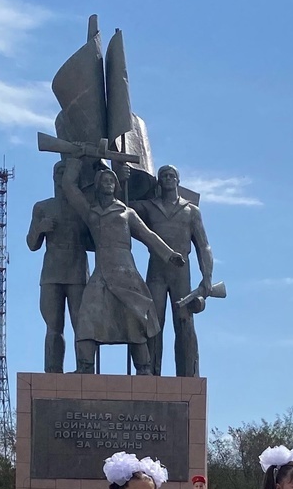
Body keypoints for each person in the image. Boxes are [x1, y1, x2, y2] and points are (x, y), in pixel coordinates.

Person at [60, 156, 186, 375]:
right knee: (87, 319)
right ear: (98, 186)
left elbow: (149, 236)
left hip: (126, 272)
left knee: (135, 321)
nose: (108, 183)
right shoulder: (90, 212)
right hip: (102, 273)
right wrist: (76, 159)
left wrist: (169, 254)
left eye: (112, 181)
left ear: (117, 186)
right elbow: (70, 188)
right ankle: (85, 367)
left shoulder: (127, 213)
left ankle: (144, 369)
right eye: (105, 181)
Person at [133, 165, 213, 377]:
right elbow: (124, 209)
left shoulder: (191, 211)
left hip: (181, 271)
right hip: (156, 270)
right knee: (153, 320)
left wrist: (207, 276)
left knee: (184, 321)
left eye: (172, 176)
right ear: (159, 182)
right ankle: (150, 372)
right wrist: (123, 178)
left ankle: (187, 375)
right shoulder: (149, 207)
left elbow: (203, 245)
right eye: (164, 176)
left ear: (178, 181)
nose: (168, 179)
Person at [26, 160, 90, 373]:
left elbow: (99, 236)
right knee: (53, 325)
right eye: (60, 173)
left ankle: (85, 368)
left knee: (81, 325)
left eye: (67, 173)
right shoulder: (42, 207)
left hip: (78, 271)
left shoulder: (82, 206)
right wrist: (40, 229)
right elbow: (31, 244)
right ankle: (53, 372)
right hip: (52, 273)